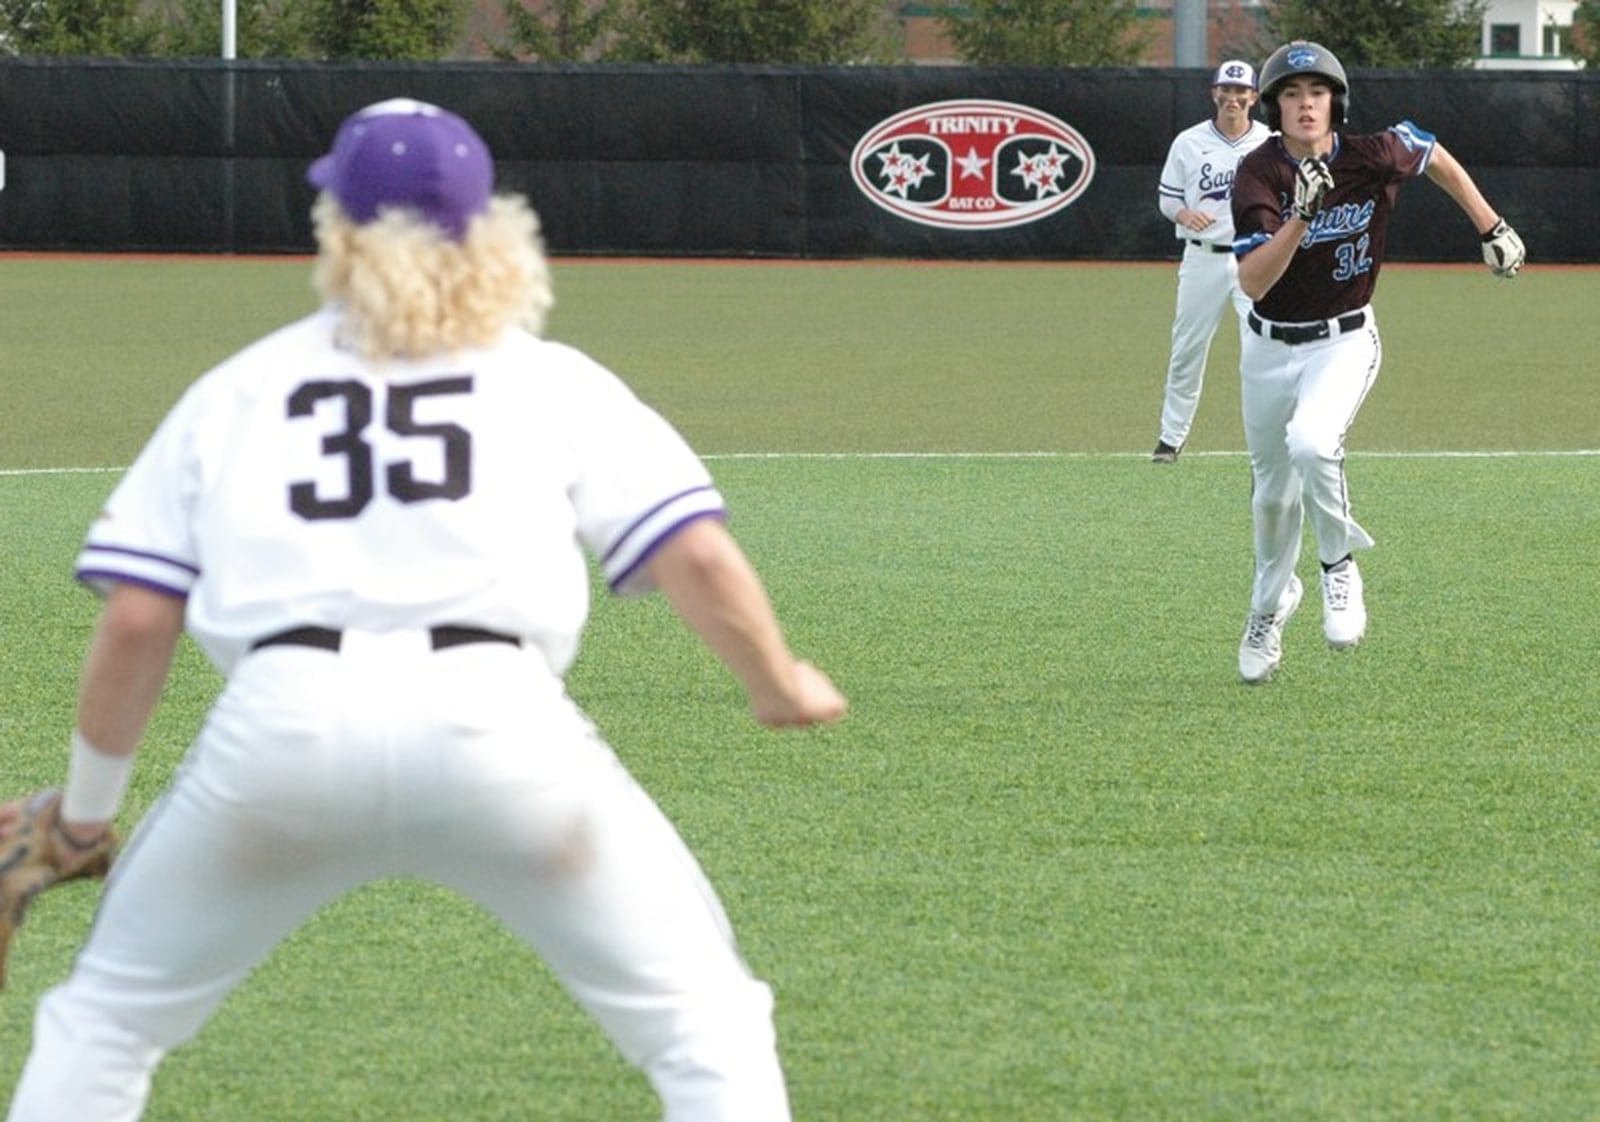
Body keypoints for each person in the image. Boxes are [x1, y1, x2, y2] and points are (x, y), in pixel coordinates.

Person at [2, 98, 846, 1121]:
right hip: (503, 733)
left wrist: (87, 818)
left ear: (338, 230)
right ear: (490, 223)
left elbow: (139, 621)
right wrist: (779, 682)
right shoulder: (550, 379)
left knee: (107, 1023)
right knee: (704, 1026)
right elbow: (695, 554)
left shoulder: (241, 388)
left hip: (282, 739)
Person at [1230, 42, 1524, 683]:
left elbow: (1433, 153)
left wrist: (1490, 225)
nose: (1305, 104)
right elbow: (1254, 282)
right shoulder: (1257, 174)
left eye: (1316, 92)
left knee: (1312, 444)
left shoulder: (1371, 154)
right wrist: (1301, 217)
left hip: (1344, 339)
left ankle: (1338, 565)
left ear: (1336, 101)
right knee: (1273, 500)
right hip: (1268, 346)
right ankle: (1268, 608)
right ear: (1274, 108)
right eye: (1290, 94)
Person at [1151, 59, 1272, 464]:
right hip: (1202, 259)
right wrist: (1183, 214)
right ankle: (1170, 439)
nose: (1233, 97)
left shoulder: (1270, 142)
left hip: (1254, 258)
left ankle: (1270, 440)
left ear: (1254, 97)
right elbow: (1168, 198)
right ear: (1214, 93)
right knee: (1187, 350)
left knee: (1263, 351)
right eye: (1226, 89)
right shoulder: (1189, 141)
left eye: (1242, 91)